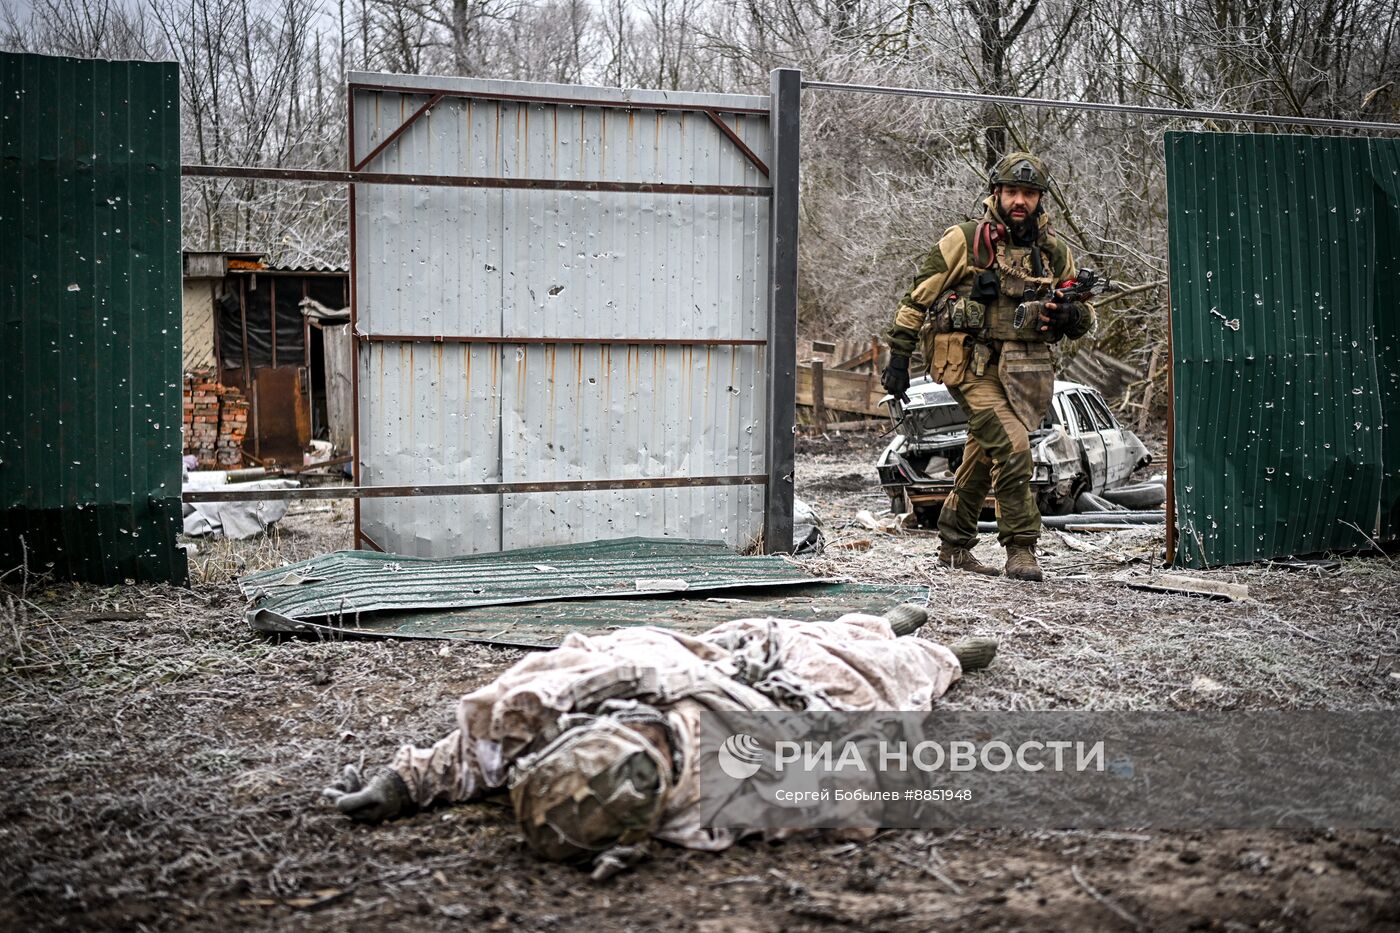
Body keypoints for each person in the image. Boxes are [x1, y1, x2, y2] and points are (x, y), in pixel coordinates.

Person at [323, 606, 997, 872]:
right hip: (776, 697)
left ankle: (885, 618)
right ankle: (941, 653)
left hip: (706, 658)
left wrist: (403, 782)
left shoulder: (564, 707)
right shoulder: (718, 793)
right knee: (880, 673)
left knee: (796, 632)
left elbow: (480, 747)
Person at [881, 151, 1096, 582]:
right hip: (970, 367)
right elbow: (916, 299)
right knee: (1015, 447)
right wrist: (899, 359)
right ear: (995, 194)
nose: (1021, 201)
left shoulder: (1053, 252)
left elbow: (1087, 316)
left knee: (984, 453)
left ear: (1040, 200)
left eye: (1030, 194)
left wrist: (1072, 316)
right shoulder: (963, 240)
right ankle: (1021, 549)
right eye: (1012, 192)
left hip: (1024, 372)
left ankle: (954, 544)